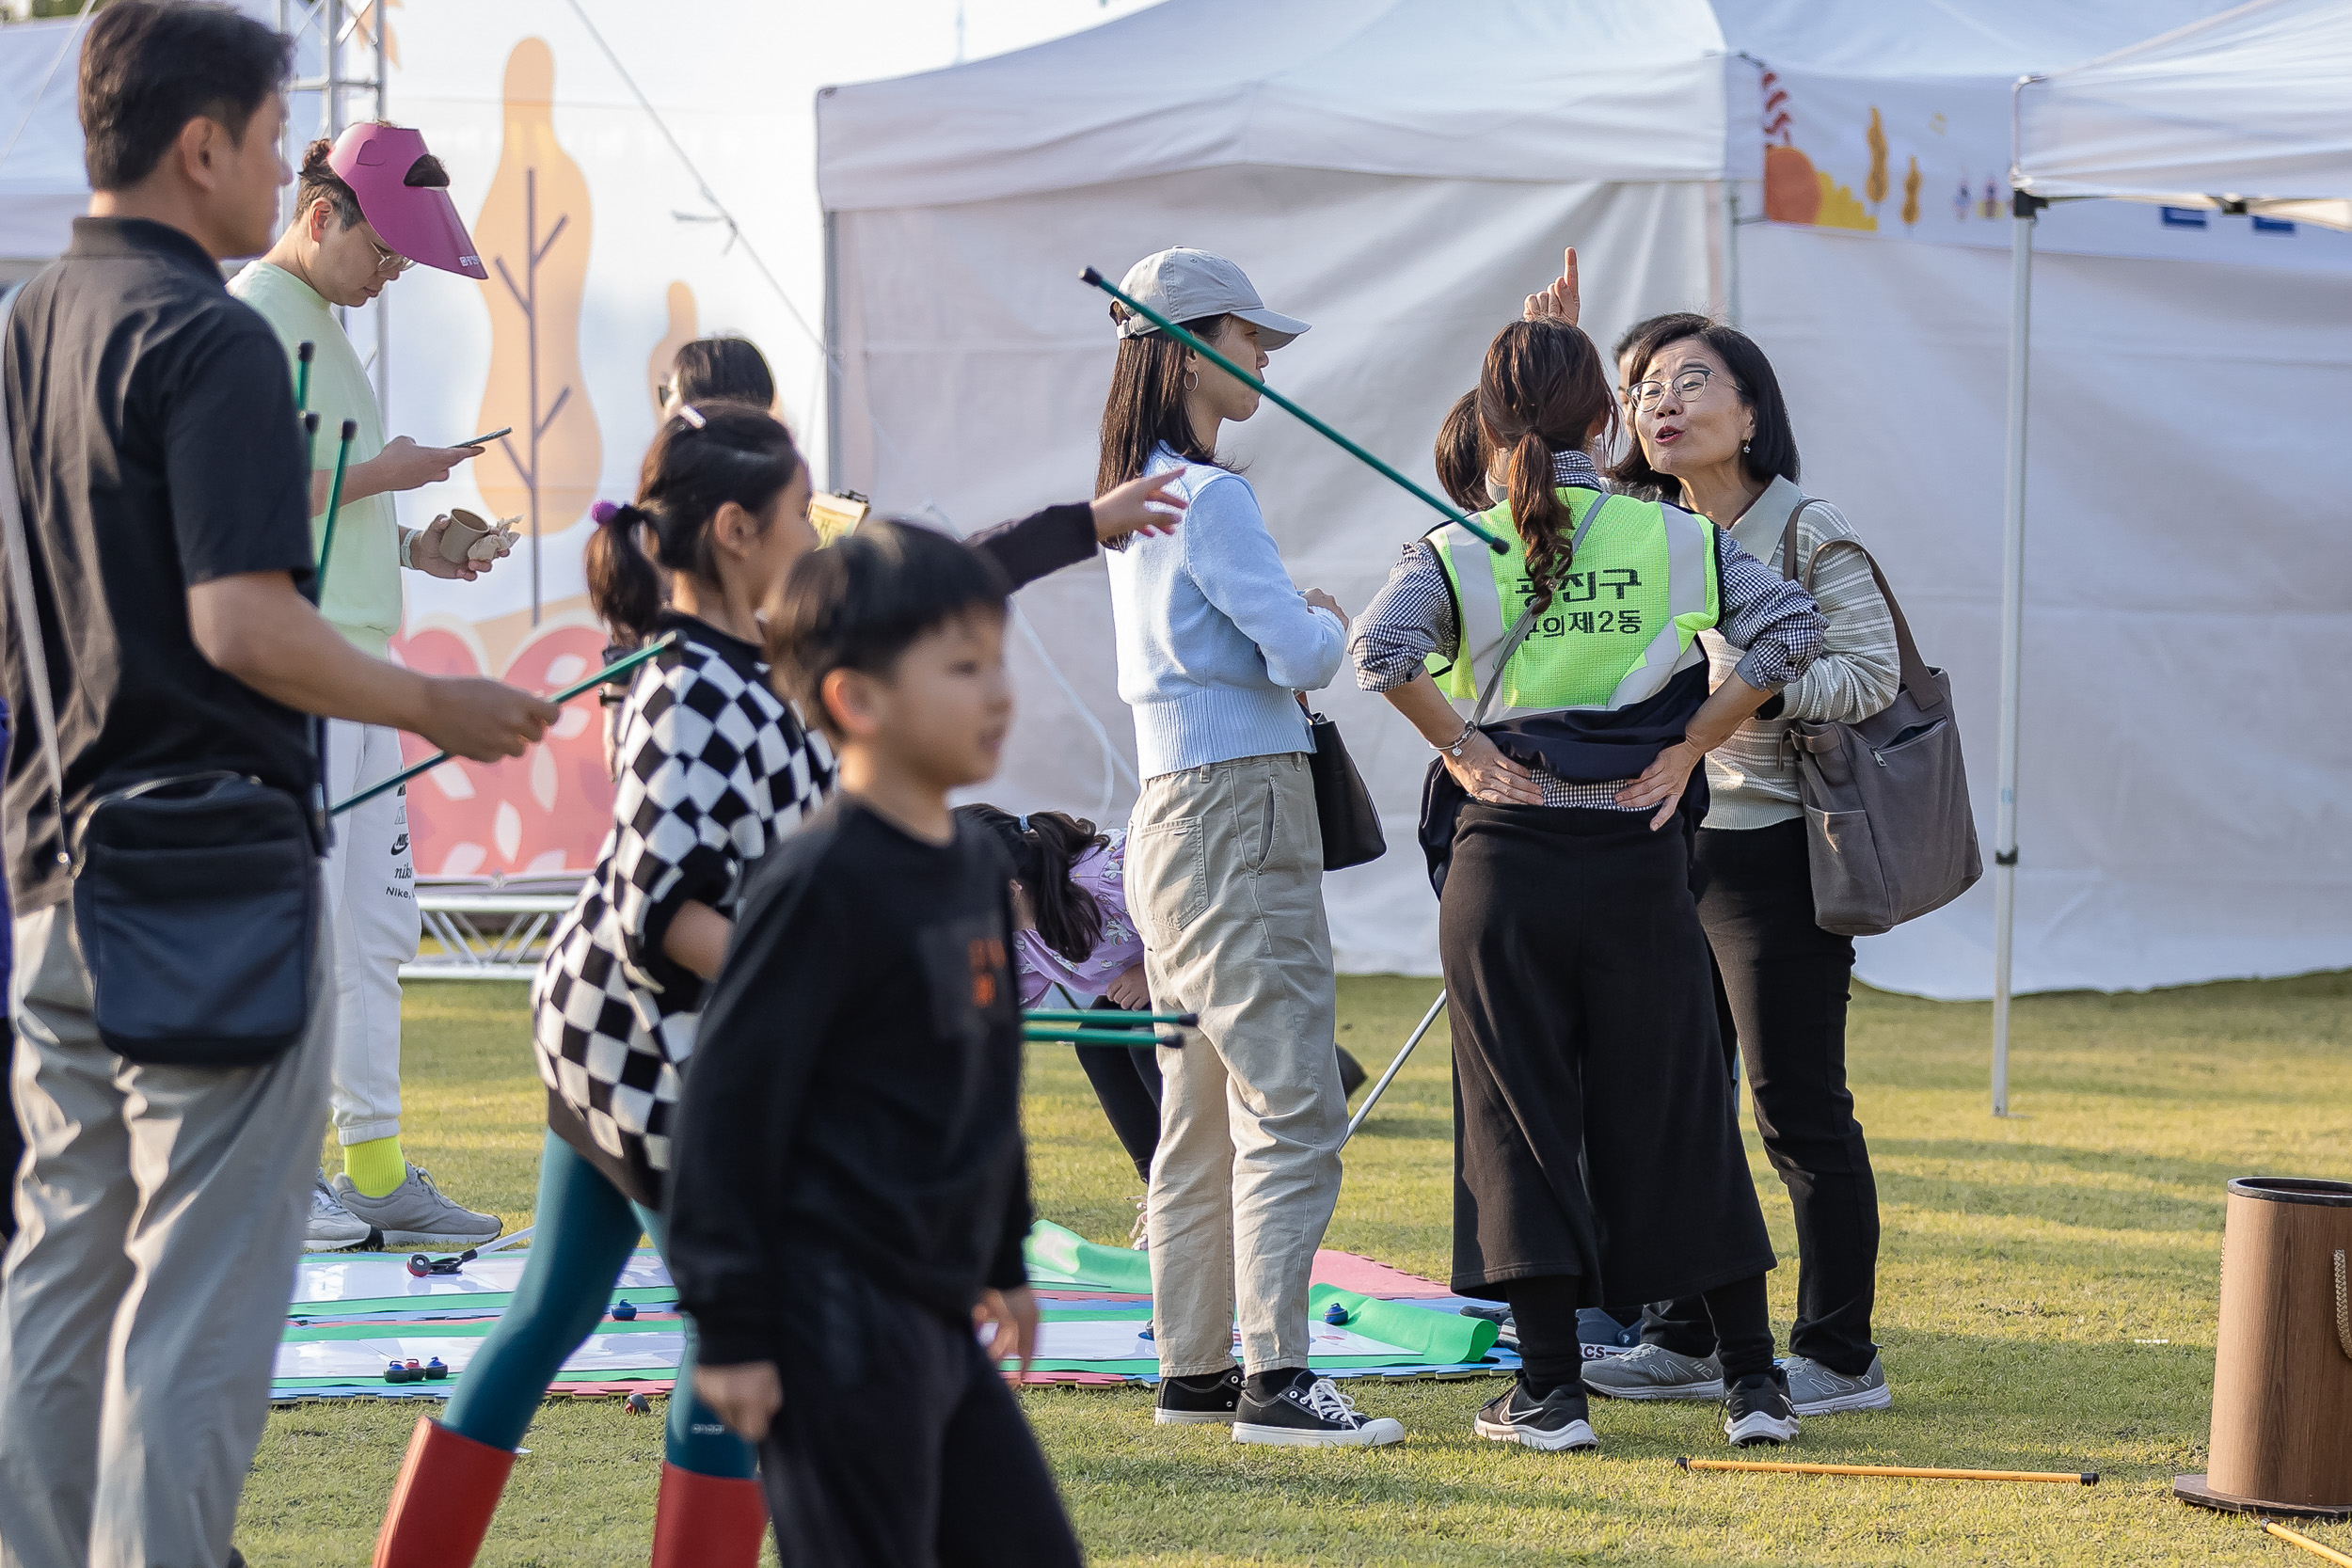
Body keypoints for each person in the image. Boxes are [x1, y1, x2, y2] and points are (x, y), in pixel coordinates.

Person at [0, 8, 553, 1563]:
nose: (278, 167)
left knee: (60, 1278)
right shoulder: (220, 336)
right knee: (197, 1302)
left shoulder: (28, 321)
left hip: (51, 875)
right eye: (268, 138)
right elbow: (244, 619)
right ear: (203, 147)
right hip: (211, 891)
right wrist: (439, 696)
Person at [1347, 314, 1827, 1453]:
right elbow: (1792, 629)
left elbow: (1377, 654)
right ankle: (1754, 1384)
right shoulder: (1670, 535)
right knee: (1675, 1112)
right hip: (1637, 853)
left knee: (1516, 1119)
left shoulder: (1457, 545)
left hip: (1501, 864)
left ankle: (1550, 1395)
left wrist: (1465, 750)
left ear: (1486, 422)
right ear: (1604, 421)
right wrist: (1689, 743)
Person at [673, 519, 1083, 1568]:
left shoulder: (967, 867)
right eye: (960, 666)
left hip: (938, 1309)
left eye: (997, 658)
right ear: (857, 699)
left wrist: (1005, 1255)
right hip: (830, 1322)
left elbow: (987, 1079)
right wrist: (731, 1329)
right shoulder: (818, 884)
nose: (997, 690)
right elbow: (725, 1107)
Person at [1095, 246, 1401, 1448]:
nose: (1264, 357)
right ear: (1181, 344)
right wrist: (1330, 614)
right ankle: (1275, 1380)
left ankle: (1197, 1377)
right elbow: (1307, 657)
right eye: (1246, 335)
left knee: (1202, 1111)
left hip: (1173, 814)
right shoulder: (1209, 496)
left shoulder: (1137, 494)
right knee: (1291, 1100)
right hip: (1233, 813)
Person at [1578, 317, 1899, 1417]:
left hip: (1777, 850)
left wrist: (1737, 685)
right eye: (1638, 389)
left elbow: (1869, 674)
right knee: (1670, 1100)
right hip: (1668, 845)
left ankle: (1840, 1353)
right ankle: (1681, 1331)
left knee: (1794, 1107)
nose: (1656, 404)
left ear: (1751, 410)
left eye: (1688, 382)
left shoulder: (1804, 526)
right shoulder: (1639, 526)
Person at [230, 121, 510, 1250]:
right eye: (384, 250)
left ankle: (375, 1169)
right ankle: (275, 1172)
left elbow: (320, 499)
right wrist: (386, 471)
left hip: (354, 661)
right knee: (294, 924)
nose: (391, 272)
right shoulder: (252, 318)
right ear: (320, 215)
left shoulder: (321, 323)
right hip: (292, 667)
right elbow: (232, 500)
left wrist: (417, 545)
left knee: (375, 923)